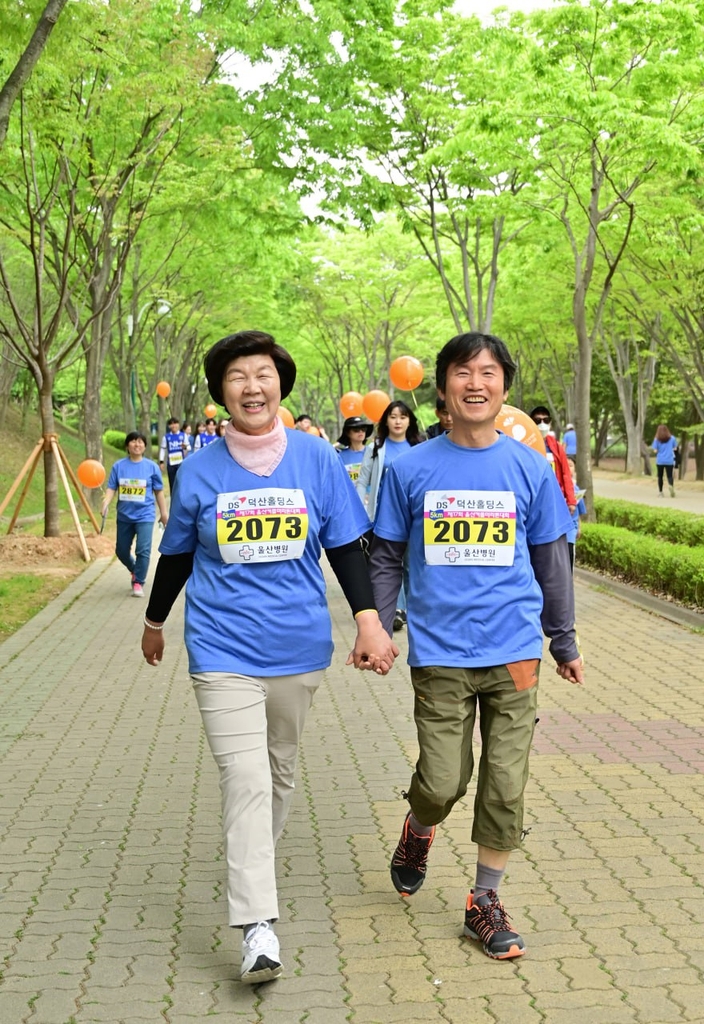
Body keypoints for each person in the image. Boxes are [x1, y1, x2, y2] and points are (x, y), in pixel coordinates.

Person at [140, 330, 398, 985]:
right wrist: (153, 621)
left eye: (263, 375)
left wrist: (369, 622)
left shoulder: (316, 459)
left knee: (278, 773)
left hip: (298, 649)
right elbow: (174, 554)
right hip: (222, 650)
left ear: (279, 385)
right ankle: (257, 926)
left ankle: (250, 854)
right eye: (236, 377)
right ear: (221, 391)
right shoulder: (197, 470)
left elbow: (345, 547)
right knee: (247, 780)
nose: (251, 386)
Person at [369, 331, 583, 960]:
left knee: (506, 782)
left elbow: (551, 558)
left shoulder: (528, 466)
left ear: (504, 388)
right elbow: (384, 554)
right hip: (438, 653)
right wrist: (378, 625)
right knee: (441, 780)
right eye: (463, 372)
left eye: (488, 373)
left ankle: (484, 902)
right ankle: (419, 826)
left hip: (515, 649)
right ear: (443, 389)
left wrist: (563, 639)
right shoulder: (410, 467)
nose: (476, 383)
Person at [356, 401, 423, 632]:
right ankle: (397, 609)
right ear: (385, 420)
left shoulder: (418, 447)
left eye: (402, 417)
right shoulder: (375, 447)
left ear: (409, 421)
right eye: (393, 416)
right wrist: (361, 512)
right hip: (383, 516)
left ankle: (412, 607)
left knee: (410, 564)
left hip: (413, 515)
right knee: (389, 562)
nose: (397, 421)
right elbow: (363, 480)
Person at [101, 431, 168, 597]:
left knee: (143, 550)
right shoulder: (118, 466)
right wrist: (106, 502)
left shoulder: (151, 467)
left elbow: (159, 491)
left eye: (140, 442)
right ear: (127, 445)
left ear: (145, 446)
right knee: (121, 551)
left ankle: (138, 581)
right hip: (124, 516)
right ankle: (134, 569)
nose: (137, 445)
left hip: (145, 515)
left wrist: (164, 513)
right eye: (133, 441)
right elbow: (111, 488)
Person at [529, 406, 576, 514]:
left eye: (546, 420)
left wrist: (571, 501)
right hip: (532, 498)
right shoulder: (523, 444)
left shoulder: (556, 446)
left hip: (554, 497)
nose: (542, 424)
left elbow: (566, 473)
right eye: (537, 420)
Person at [336, 415, 374, 483]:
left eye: (363, 429)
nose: (361, 432)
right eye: (356, 429)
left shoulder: (373, 453)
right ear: (347, 433)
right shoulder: (340, 457)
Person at [566, 458, 587, 571]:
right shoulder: (556, 486)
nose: (569, 468)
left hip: (570, 534)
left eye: (571, 465)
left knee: (569, 565)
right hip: (557, 534)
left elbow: (578, 510)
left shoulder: (576, 489)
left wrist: (579, 527)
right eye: (566, 465)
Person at [158, 417, 189, 494]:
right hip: (171, 463)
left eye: (175, 423)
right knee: (172, 483)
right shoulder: (166, 437)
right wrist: (161, 461)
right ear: (169, 426)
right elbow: (163, 449)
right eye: (171, 424)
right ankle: (173, 500)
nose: (173, 425)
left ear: (178, 425)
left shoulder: (183, 435)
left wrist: (184, 447)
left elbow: (188, 447)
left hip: (181, 463)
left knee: (182, 482)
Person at [652, 424, 678, 497]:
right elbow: (675, 448)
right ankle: (671, 486)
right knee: (670, 476)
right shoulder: (672, 438)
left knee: (660, 476)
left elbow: (655, 450)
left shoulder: (656, 439)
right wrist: (670, 449)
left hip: (660, 460)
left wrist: (659, 450)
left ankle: (661, 492)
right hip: (669, 460)